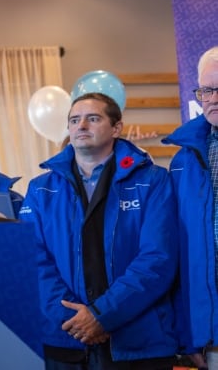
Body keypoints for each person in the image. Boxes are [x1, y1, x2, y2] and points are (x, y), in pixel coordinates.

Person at [20, 92, 177, 368]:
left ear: (116, 128)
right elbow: (32, 262)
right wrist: (77, 321)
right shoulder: (40, 188)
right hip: (65, 339)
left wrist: (102, 315)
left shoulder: (153, 181)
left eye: (93, 119)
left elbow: (157, 260)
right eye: (74, 120)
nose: (81, 126)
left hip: (139, 340)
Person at [163, 45, 218, 369]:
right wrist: (189, 332)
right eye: (206, 89)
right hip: (212, 328)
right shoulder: (183, 160)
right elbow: (178, 253)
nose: (211, 98)